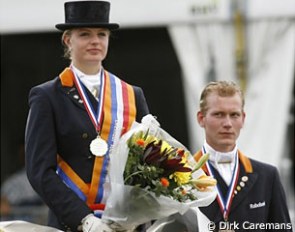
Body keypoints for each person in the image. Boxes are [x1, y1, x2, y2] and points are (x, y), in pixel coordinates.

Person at [25, 1, 149, 232]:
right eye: (84, 34)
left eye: (102, 34)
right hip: (74, 223)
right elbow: (39, 171)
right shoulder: (47, 96)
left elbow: (149, 161)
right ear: (67, 40)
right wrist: (84, 219)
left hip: (127, 224)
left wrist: (138, 213)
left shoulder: (132, 94)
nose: (95, 41)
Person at [193, 81, 293, 231]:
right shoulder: (182, 175)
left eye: (234, 115)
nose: (227, 123)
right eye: (218, 114)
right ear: (201, 118)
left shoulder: (267, 176)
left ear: (243, 119)